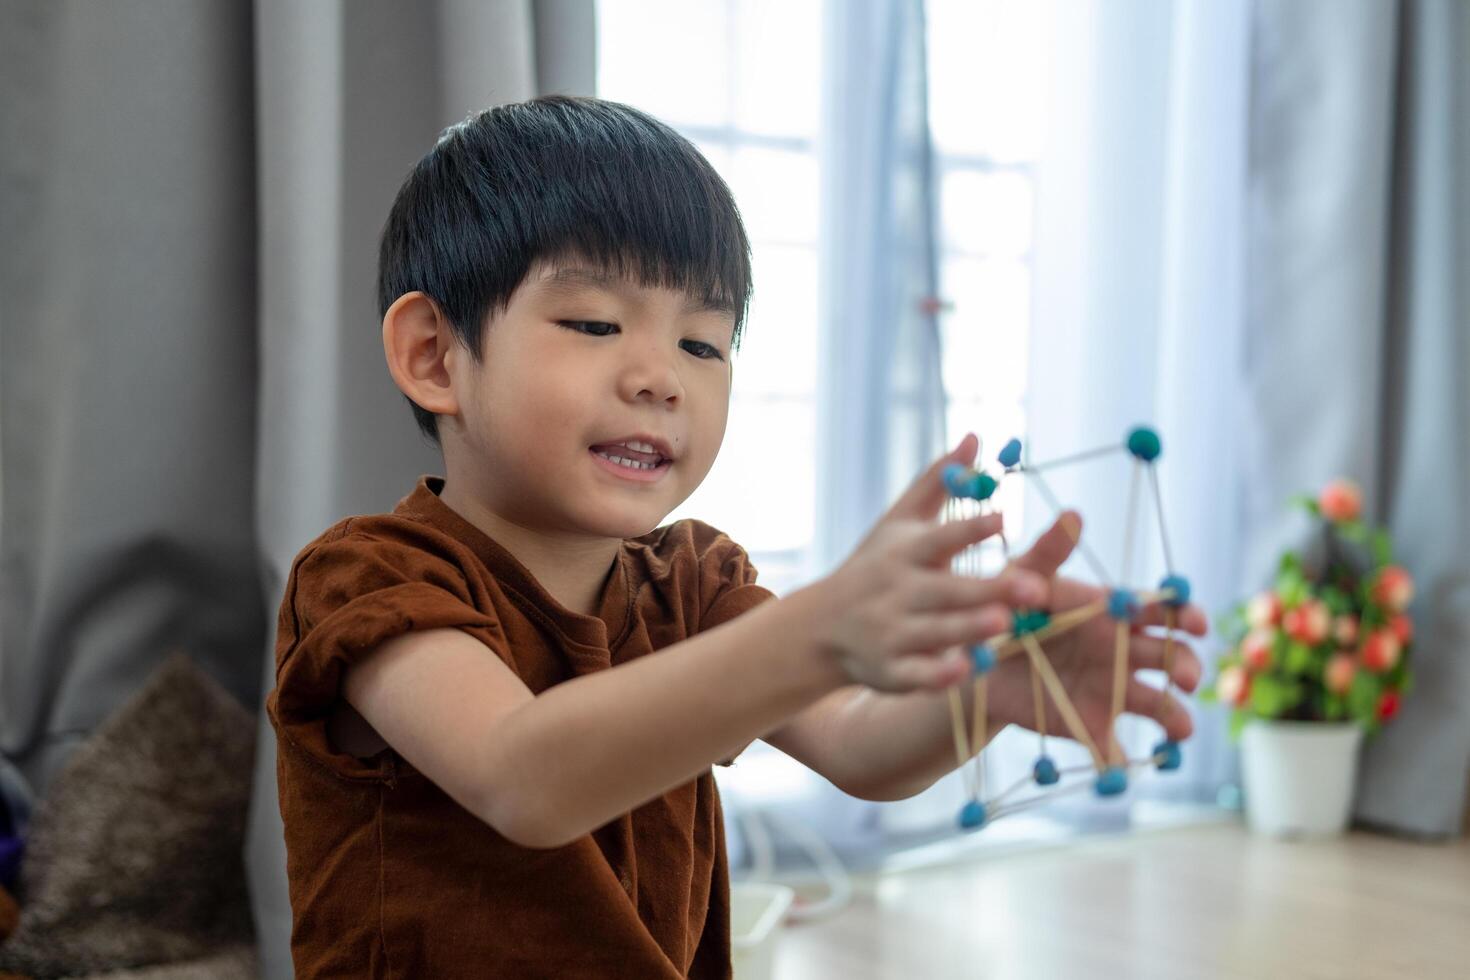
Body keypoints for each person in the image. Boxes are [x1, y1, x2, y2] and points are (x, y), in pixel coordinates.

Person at [265, 95, 1206, 979]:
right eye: (595, 322)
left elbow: (860, 747)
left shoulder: (694, 582)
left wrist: (987, 693)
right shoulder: (369, 579)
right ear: (435, 355)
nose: (661, 379)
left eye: (703, 345)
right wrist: (821, 627)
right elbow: (524, 779)